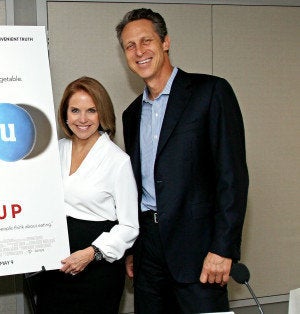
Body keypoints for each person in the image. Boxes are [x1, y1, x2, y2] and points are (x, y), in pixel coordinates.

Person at [116, 8, 250, 313]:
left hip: (200, 250)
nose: (139, 52)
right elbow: (137, 186)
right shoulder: (131, 113)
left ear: (165, 42)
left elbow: (232, 177)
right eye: (130, 46)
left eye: (146, 41)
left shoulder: (211, 92)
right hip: (148, 249)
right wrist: (135, 247)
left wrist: (223, 247)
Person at [34, 76, 139, 313]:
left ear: (102, 113)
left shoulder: (118, 161)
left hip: (96, 267)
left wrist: (91, 253)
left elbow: (130, 226)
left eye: (91, 110)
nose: (82, 119)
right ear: (65, 114)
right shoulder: (55, 150)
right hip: (56, 263)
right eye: (75, 110)